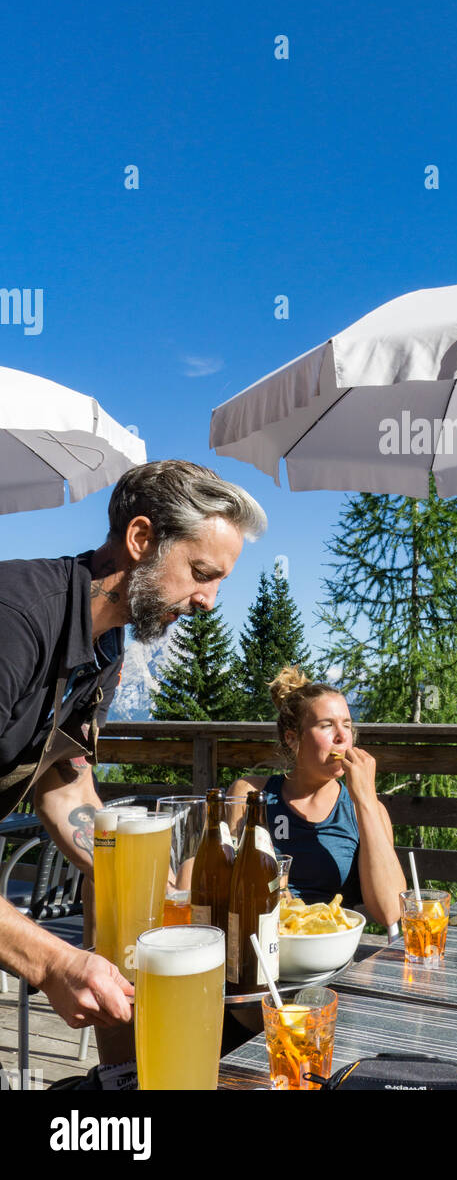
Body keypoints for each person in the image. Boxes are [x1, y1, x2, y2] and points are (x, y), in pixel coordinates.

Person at [0, 460, 266, 1082]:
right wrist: (51, 962)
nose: (209, 601)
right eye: (201, 574)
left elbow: (63, 783)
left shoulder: (106, 641)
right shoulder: (14, 622)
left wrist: (153, 884)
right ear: (141, 539)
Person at [229, 666, 405, 929]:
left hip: (332, 948)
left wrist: (366, 798)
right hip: (259, 940)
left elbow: (392, 913)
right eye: (327, 726)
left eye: (347, 725)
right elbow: (225, 880)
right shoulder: (252, 795)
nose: (342, 736)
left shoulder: (367, 809)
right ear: (293, 739)